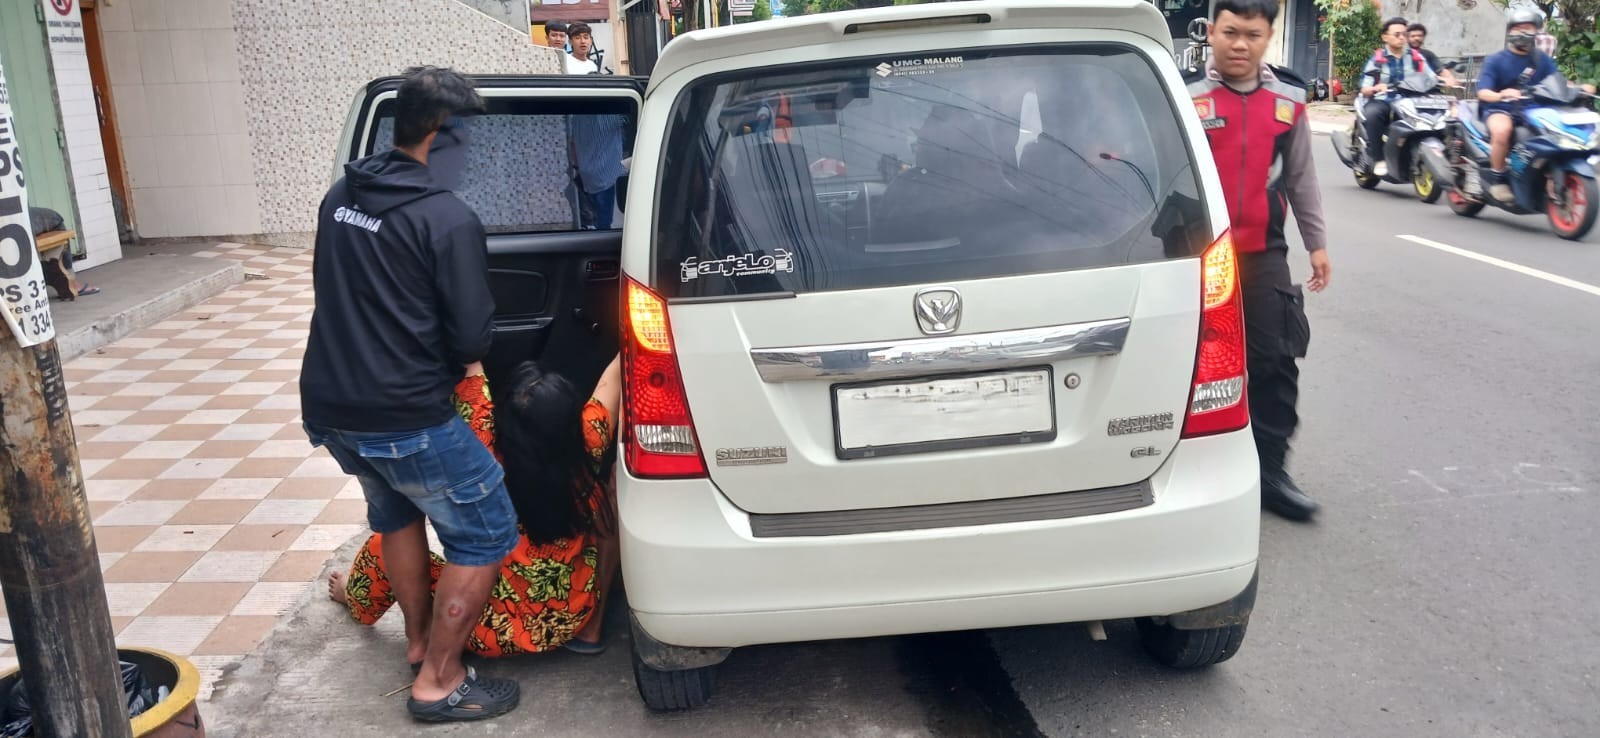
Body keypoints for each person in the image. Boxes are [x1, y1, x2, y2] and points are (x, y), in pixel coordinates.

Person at [299, 66, 522, 722]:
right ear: (441, 134)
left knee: (396, 513)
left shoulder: (341, 195)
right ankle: (439, 681)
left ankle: (420, 641)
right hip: (405, 414)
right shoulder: (446, 218)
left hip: (333, 408)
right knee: (486, 529)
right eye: (466, 138)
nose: (470, 154)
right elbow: (472, 335)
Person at [329, 356, 624, 656]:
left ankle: (354, 599)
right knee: (614, 490)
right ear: (571, 421)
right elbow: (613, 376)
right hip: (570, 619)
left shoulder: (483, 457)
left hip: (485, 632)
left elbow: (472, 374)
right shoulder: (590, 441)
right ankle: (591, 627)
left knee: (388, 543)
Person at [1187, 0, 1331, 522]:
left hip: (1263, 251)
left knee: (1275, 359)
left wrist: (1316, 243)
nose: (1240, 45)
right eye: (1230, 32)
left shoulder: (1288, 99)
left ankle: (1270, 471)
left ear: (1269, 35)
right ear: (1212, 32)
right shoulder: (1185, 95)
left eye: (1252, 34)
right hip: (1192, 255)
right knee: (1189, 365)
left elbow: (1301, 177)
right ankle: (1187, 471)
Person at [1478, 10, 1562, 203]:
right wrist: (1502, 94)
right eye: (1517, 28)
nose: (1522, 33)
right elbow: (1483, 92)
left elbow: (1557, 81)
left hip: (1533, 110)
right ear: (1509, 31)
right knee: (1502, 131)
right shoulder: (1495, 60)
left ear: (1536, 32)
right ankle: (1497, 178)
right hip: (1500, 108)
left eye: (1527, 28)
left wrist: (1579, 88)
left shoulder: (1542, 60)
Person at [1358, 17, 1435, 177]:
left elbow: (1431, 76)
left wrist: (1442, 80)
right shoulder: (1377, 59)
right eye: (1397, 34)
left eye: (1404, 34)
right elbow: (1365, 87)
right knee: (1373, 114)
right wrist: (1375, 88)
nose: (1401, 38)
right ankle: (1378, 158)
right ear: (1385, 37)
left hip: (1411, 101)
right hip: (1384, 100)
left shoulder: (1416, 57)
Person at [1406, 23, 1459, 88]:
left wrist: (1451, 79)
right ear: (1407, 38)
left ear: (1424, 37)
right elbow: (1417, 75)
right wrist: (1442, 79)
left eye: (1420, 36)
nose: (1416, 38)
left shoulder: (1428, 54)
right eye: (1413, 36)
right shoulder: (1404, 55)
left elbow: (1441, 70)